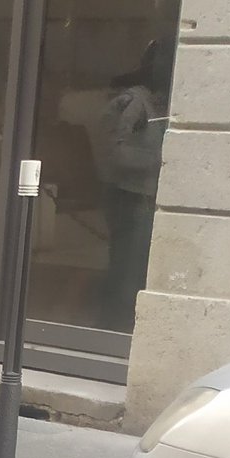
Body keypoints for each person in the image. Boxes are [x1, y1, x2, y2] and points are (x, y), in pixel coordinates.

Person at [94, 37, 174, 331]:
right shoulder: (134, 102)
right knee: (127, 271)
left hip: (142, 196)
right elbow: (114, 152)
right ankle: (113, 328)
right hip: (130, 197)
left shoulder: (158, 102)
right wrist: (160, 161)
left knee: (137, 269)